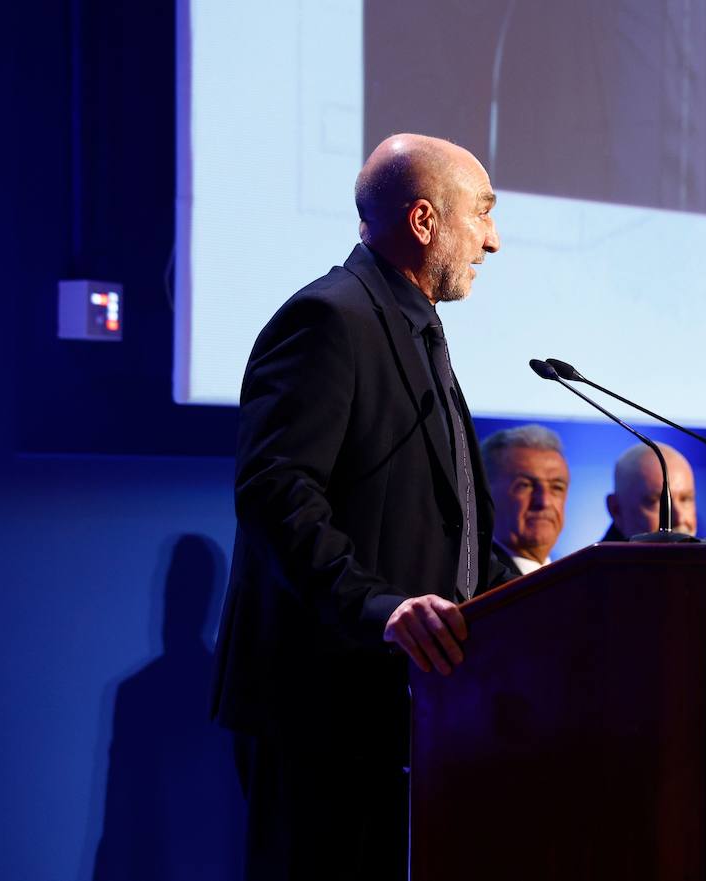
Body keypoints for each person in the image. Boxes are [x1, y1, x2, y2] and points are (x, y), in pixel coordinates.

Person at [211, 134, 511, 881]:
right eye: (482, 214)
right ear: (423, 220)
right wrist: (379, 605)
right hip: (324, 704)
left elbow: (449, 516)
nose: (494, 241)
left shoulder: (413, 326)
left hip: (394, 703)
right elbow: (276, 492)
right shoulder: (329, 319)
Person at [479, 424, 570, 574]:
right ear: (485, 494)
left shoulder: (575, 583)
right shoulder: (471, 583)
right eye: (525, 485)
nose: (544, 502)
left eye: (557, 487)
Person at [601, 442, 697, 540]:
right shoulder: (593, 555)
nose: (679, 519)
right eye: (658, 503)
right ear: (616, 510)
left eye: (685, 499)